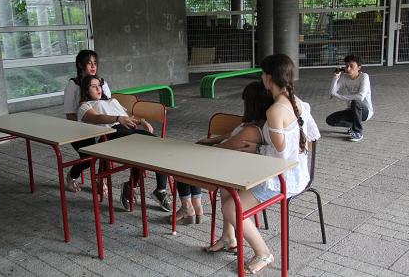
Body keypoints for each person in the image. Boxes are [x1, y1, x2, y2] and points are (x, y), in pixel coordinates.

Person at [207, 54, 319, 275]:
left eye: (262, 74)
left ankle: (263, 253)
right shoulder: (299, 103)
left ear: (268, 78)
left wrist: (257, 149)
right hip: (293, 172)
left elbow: (278, 152)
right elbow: (311, 139)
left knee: (230, 208)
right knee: (226, 185)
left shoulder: (275, 111)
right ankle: (229, 237)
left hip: (282, 179)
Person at [172, 81, 273, 225]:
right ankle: (196, 206)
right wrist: (210, 140)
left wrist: (203, 148)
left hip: (228, 167)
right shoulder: (252, 123)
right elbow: (231, 135)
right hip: (227, 162)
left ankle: (188, 206)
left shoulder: (252, 131)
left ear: (252, 104)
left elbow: (225, 147)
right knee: (187, 158)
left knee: (181, 162)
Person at [77, 75, 172, 212]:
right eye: (93, 86)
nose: (98, 88)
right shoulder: (85, 106)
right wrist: (117, 118)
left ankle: (158, 189)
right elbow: (96, 118)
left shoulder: (112, 101)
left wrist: (141, 121)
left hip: (127, 130)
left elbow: (127, 118)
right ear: (86, 90)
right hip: (108, 135)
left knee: (158, 144)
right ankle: (132, 186)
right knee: (145, 146)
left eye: (99, 85)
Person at [63, 50, 111, 193]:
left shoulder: (101, 82)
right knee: (88, 157)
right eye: (89, 63)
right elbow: (70, 114)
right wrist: (81, 131)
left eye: (95, 63)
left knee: (107, 150)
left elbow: (107, 105)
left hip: (102, 126)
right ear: (80, 65)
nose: (93, 66)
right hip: (79, 129)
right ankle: (71, 176)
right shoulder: (74, 84)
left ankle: (100, 179)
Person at [326, 54, 374, 142]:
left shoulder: (364, 77)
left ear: (359, 67)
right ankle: (353, 126)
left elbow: (360, 97)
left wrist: (341, 97)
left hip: (365, 111)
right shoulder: (344, 77)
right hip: (352, 110)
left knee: (356, 102)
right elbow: (331, 93)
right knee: (330, 120)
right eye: (347, 66)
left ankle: (358, 132)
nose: (348, 69)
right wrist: (336, 77)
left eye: (352, 66)